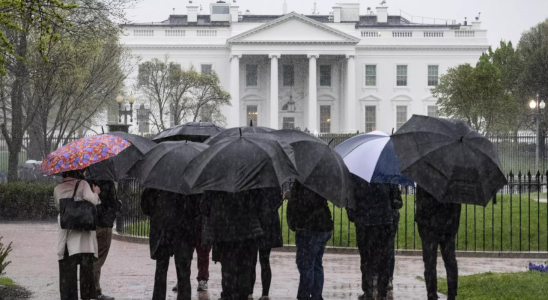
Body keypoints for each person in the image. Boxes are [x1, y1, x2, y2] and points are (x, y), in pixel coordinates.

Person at [200, 190, 265, 300]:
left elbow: (204, 208)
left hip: (225, 233)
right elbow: (262, 205)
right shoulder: (250, 181)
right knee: (244, 269)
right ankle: (241, 295)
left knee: (228, 270)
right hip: (246, 234)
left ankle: (228, 294)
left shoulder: (216, 183)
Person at [141, 188, 199, 300]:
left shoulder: (158, 180)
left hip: (164, 228)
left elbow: (146, 206)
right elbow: (198, 208)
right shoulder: (189, 181)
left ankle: (159, 297)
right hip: (182, 229)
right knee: (183, 272)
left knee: (162, 271)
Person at [347, 175, 395, 300]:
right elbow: (396, 200)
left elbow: (351, 199)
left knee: (366, 260)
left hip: (366, 222)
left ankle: (368, 291)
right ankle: (382, 292)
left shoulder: (357, 176)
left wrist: (353, 215)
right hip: (383, 222)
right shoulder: (386, 176)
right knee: (383, 259)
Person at [54, 169, 101, 300]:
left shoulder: (57, 189)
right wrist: (96, 193)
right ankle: (86, 296)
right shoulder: (83, 184)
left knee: (68, 277)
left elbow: (60, 208)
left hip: (67, 240)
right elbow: (93, 201)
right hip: (84, 239)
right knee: (86, 275)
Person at [286, 181, 333, 300]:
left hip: (310, 228)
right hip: (324, 225)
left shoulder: (303, 181)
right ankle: (316, 296)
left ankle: (304, 296)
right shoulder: (322, 180)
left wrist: (297, 223)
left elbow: (303, 204)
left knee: (306, 265)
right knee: (316, 264)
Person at [415, 185, 461, 300]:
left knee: (430, 263)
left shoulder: (425, 179)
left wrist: (423, 225)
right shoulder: (452, 182)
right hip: (446, 227)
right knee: (450, 262)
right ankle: (451, 294)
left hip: (431, 227)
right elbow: (457, 206)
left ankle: (432, 294)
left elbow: (420, 205)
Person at [86, 180, 120, 300]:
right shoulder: (107, 181)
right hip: (104, 224)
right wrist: (116, 205)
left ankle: (95, 289)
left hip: (90, 223)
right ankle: (91, 289)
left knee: (93, 256)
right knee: (98, 258)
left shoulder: (86, 180)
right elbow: (110, 203)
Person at [249, 188, 283, 300]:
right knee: (264, 261)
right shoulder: (272, 182)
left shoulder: (252, 180)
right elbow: (278, 201)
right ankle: (265, 294)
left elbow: (248, 202)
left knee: (251, 261)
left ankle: (249, 293)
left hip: (253, 224)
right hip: (268, 224)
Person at [173, 219, 212, 293]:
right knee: (185, 252)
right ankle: (183, 278)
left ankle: (202, 279)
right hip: (188, 218)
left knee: (203, 251)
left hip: (202, 219)